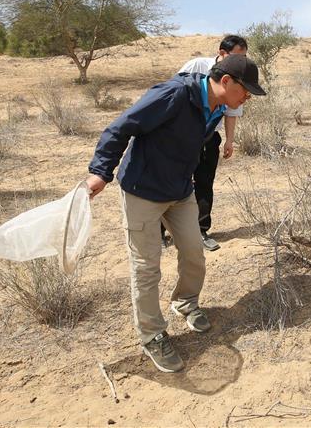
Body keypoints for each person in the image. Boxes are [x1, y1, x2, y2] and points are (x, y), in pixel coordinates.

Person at [85, 54, 266, 373]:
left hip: (180, 191)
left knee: (195, 251)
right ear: (226, 82)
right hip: (142, 190)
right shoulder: (174, 94)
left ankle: (185, 301)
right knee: (146, 266)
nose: (247, 98)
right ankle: (152, 334)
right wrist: (101, 171)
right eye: (246, 91)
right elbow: (120, 126)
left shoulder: (218, 106)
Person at [161, 34, 248, 252]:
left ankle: (201, 230)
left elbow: (232, 111)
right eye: (237, 56)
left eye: (244, 57)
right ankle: (158, 232)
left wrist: (229, 140)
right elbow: (173, 92)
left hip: (210, 136)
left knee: (204, 183)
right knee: (171, 181)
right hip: (182, 135)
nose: (241, 61)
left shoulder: (238, 78)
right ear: (222, 53)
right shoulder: (197, 65)